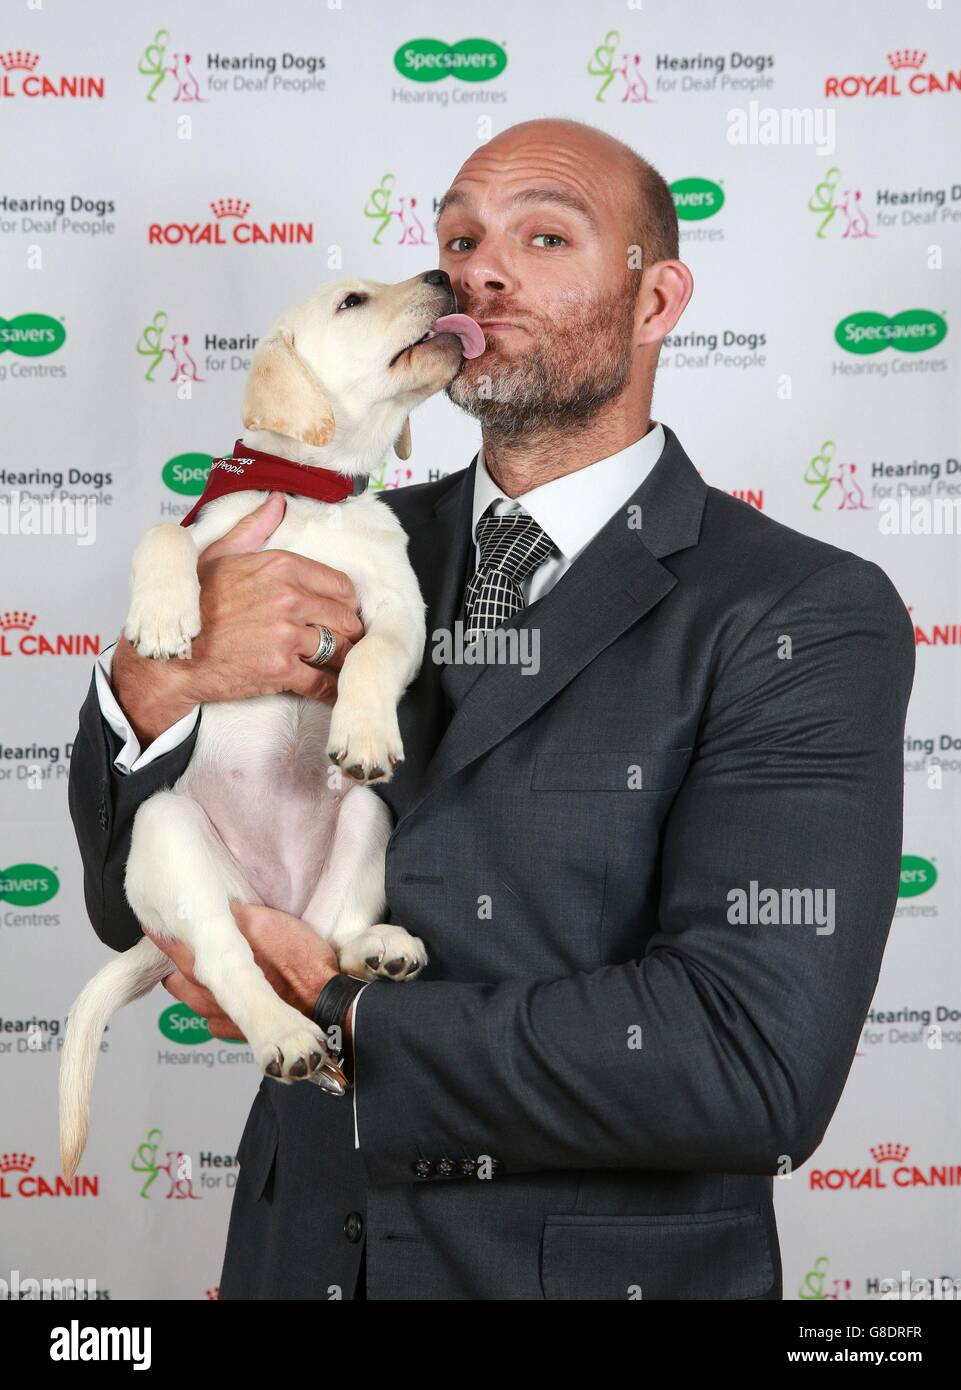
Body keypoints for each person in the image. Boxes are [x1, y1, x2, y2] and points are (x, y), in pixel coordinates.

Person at [68, 118, 915, 1300]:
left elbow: (749, 1059)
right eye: (458, 237)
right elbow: (125, 902)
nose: (478, 268)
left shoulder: (803, 610)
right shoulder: (325, 542)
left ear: (658, 300)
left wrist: (336, 1008)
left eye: (545, 235)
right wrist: (156, 686)